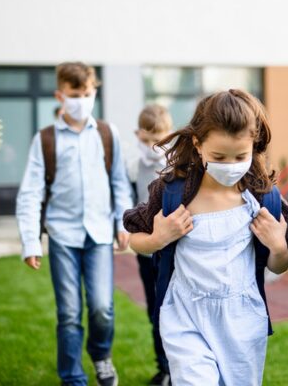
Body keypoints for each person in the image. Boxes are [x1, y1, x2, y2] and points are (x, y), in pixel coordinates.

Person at [123, 89, 288, 385]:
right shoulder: (173, 191)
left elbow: (279, 265)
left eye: (240, 156)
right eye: (218, 156)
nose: (230, 166)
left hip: (243, 320)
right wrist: (158, 238)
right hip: (186, 315)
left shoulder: (263, 196)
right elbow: (134, 239)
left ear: (253, 146)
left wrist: (278, 245)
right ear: (198, 144)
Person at [16, 62, 132, 386]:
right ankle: (73, 378)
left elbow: (120, 183)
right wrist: (29, 241)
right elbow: (30, 193)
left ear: (94, 92)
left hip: (98, 234)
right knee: (68, 314)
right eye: (74, 94)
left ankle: (100, 354)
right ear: (60, 95)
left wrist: (123, 222)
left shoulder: (108, 135)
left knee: (102, 308)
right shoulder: (45, 140)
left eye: (87, 93)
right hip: (62, 235)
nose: (81, 99)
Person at [133, 104, 173, 386]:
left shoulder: (175, 168)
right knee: (154, 310)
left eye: (157, 140)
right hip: (147, 250)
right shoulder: (135, 167)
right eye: (147, 141)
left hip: (171, 250)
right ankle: (164, 367)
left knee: (172, 309)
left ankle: (177, 367)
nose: (152, 147)